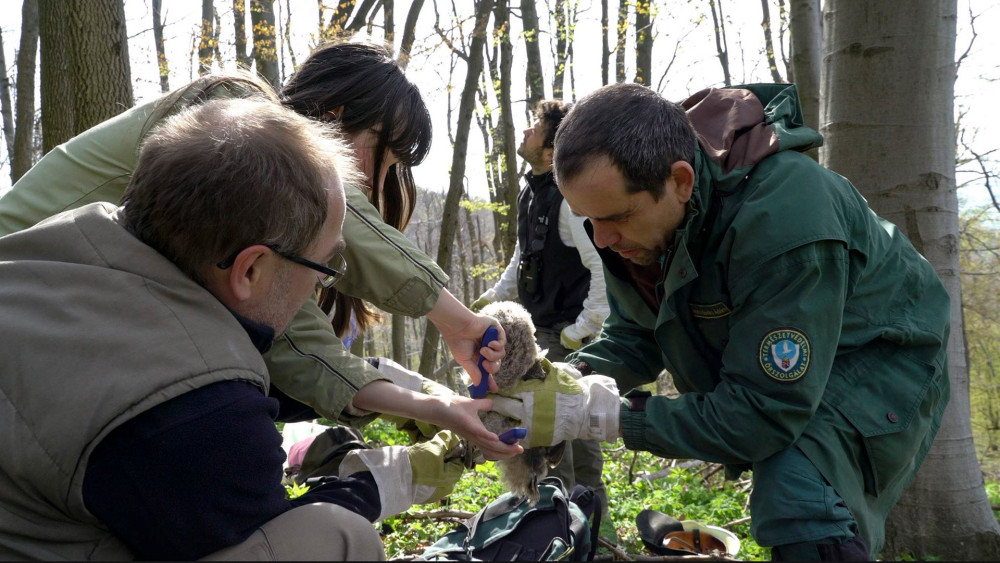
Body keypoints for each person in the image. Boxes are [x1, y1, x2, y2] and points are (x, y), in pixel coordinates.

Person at [0, 98, 495, 561]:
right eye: (325, 264)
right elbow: (259, 529)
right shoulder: (197, 419)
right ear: (250, 269)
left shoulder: (53, 247)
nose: (320, 285)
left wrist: (409, 395)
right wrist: (391, 481)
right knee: (339, 539)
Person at [486, 82, 950, 561]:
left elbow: (762, 411)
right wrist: (562, 383)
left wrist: (605, 416)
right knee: (789, 477)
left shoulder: (785, 219)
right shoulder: (637, 222)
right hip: (790, 357)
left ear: (681, 181)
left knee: (797, 491)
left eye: (616, 218)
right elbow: (636, 335)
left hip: (879, 351)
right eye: (588, 220)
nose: (602, 240)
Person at [0, 41, 518, 460]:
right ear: (334, 114)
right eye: (382, 151)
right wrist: (459, 321)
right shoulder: (229, 107)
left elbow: (305, 352)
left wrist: (441, 408)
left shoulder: (254, 230)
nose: (375, 179)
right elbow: (343, 207)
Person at [471, 100, 611, 529]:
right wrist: (487, 301)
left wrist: (580, 330)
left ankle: (579, 537)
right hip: (538, 333)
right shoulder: (532, 192)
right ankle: (568, 535)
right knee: (558, 441)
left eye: (535, 127)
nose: (526, 132)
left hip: (563, 337)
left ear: (552, 150)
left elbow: (601, 265)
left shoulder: (570, 202)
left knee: (567, 442)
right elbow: (522, 260)